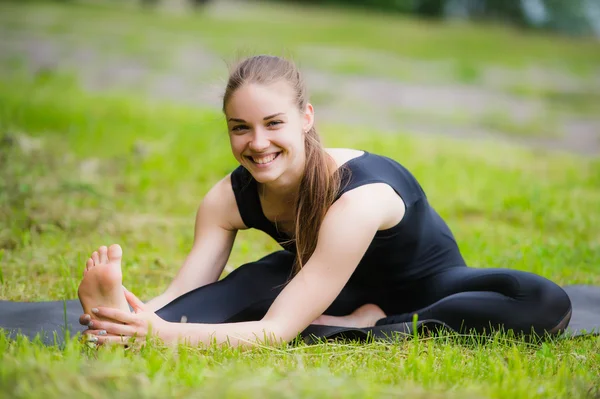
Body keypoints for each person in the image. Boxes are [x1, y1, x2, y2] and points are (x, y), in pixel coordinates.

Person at [76, 55, 572, 348]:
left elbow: (274, 332)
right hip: (324, 284)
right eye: (240, 128)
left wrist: (160, 336)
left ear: (306, 118)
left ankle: (372, 326)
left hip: (428, 292)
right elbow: (190, 288)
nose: (258, 143)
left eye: (274, 123)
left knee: (544, 302)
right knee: (242, 286)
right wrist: (140, 315)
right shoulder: (226, 198)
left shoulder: (359, 196)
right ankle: (114, 321)